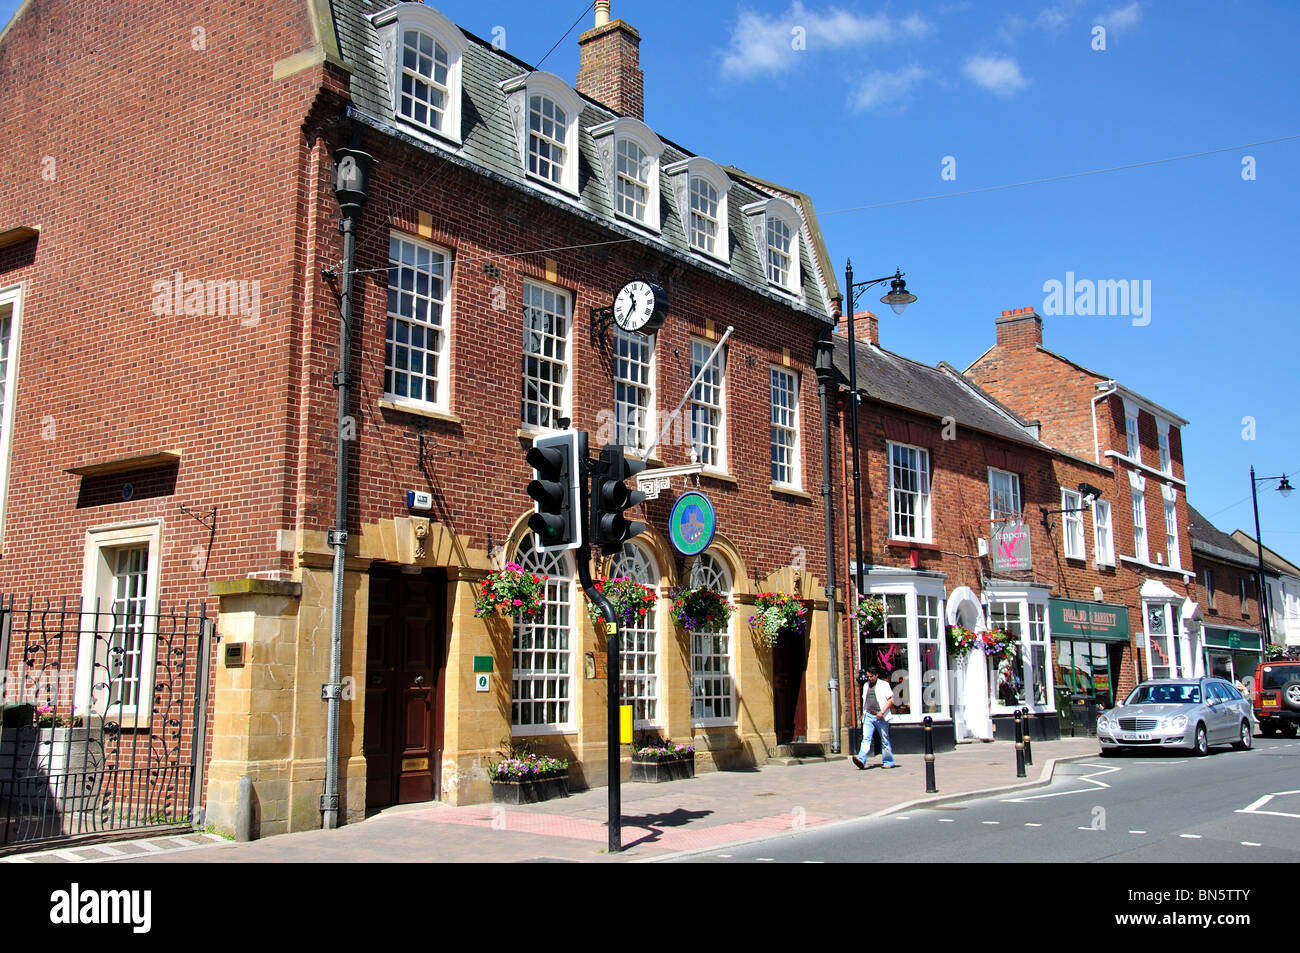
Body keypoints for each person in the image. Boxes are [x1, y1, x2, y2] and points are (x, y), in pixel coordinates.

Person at [852, 668, 896, 769]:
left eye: (871, 676)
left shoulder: (884, 685)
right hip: (869, 715)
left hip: (880, 716)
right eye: (868, 676)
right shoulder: (866, 685)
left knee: (884, 739)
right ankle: (861, 760)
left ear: (876, 675)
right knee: (866, 738)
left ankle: (888, 761)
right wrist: (864, 712)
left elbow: (890, 700)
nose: (869, 678)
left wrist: (882, 712)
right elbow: (865, 700)